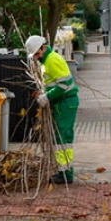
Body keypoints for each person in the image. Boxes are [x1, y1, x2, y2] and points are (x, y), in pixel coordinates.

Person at [25, 35, 79, 184]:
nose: (36, 57)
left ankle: (66, 174)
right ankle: (63, 171)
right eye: (34, 55)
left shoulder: (52, 60)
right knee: (60, 138)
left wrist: (47, 97)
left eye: (37, 53)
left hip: (65, 103)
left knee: (62, 138)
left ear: (43, 47)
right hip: (63, 103)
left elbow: (64, 85)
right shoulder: (46, 61)